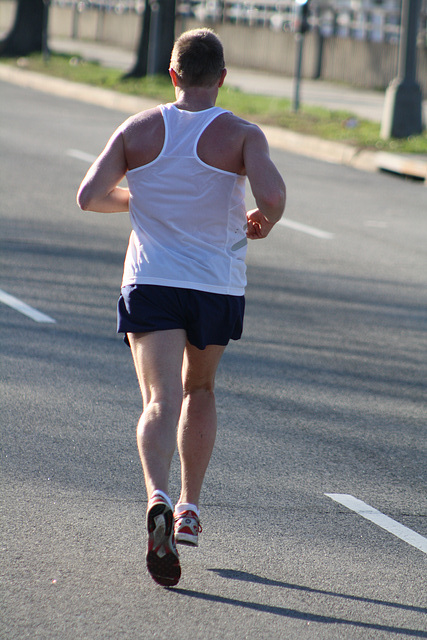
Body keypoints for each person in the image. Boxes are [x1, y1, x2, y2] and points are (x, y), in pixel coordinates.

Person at [77, 28, 286, 588]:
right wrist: (261, 225)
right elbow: (273, 198)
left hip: (151, 281)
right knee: (200, 390)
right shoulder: (242, 135)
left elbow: (88, 195)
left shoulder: (138, 129)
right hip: (216, 285)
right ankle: (189, 509)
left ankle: (158, 498)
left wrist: (138, 197)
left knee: (158, 398)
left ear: (172, 74)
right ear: (222, 76)